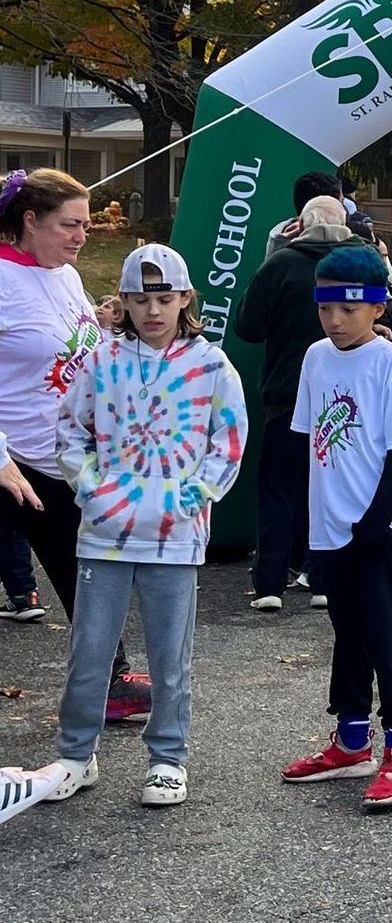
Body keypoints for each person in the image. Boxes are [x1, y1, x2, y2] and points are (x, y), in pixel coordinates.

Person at [38, 245, 247, 807]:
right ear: (123, 301)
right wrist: (92, 490)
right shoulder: (101, 362)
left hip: (175, 537)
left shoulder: (211, 365)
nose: (153, 310)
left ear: (185, 299)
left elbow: (227, 446)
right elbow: (70, 429)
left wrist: (190, 500)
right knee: (90, 649)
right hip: (105, 533)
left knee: (168, 654)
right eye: (139, 299)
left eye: (164, 298)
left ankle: (167, 758)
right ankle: (76, 755)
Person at [281, 246, 392, 808]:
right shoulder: (316, 357)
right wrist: (307, 522)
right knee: (347, 630)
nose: (336, 320)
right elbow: (307, 439)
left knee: (382, 628)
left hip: (380, 527)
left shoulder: (391, 364)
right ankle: (350, 740)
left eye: (349, 309)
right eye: (326, 309)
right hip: (330, 527)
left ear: (376, 308)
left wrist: (374, 522)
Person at [0, 169, 150, 720]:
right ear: (29, 221)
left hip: (69, 457)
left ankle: (107, 682)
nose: (82, 236)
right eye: (70, 224)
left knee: (87, 570)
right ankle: (107, 680)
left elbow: (85, 347)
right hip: (13, 461)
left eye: (86, 224)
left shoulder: (63, 275)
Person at [235, 194, 381, 611]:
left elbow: (248, 325)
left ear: (300, 224)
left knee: (278, 490)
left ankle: (268, 586)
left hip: (286, 391)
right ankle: (320, 578)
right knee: (329, 489)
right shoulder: (364, 262)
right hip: (348, 400)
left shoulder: (281, 264)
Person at [263, 171, 343, 257]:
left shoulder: (282, 235)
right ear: (326, 208)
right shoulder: (312, 251)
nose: (344, 211)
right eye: (340, 204)